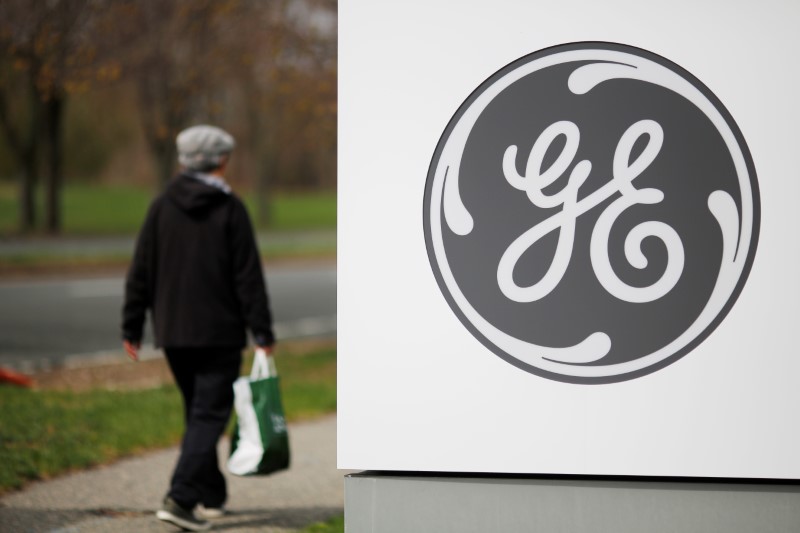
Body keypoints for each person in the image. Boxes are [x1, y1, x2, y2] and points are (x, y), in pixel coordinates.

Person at [121, 125, 275, 531]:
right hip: (218, 333)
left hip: (173, 331)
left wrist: (132, 325)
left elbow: (141, 270)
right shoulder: (230, 209)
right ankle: (181, 498)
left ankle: (212, 494)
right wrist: (263, 332)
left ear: (183, 161)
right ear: (222, 160)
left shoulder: (160, 207)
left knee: (198, 412)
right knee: (209, 415)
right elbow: (248, 278)